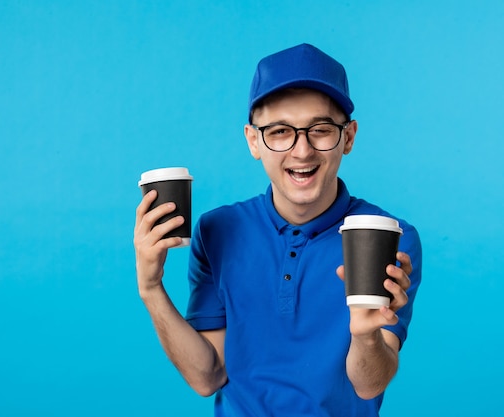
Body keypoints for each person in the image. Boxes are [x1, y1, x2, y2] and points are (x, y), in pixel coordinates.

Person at [134, 43, 422, 416]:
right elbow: (207, 377)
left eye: (320, 129)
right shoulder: (216, 230)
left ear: (348, 137)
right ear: (254, 140)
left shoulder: (390, 237)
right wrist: (151, 287)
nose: (302, 151)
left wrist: (365, 334)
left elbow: (368, 385)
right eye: (281, 131)